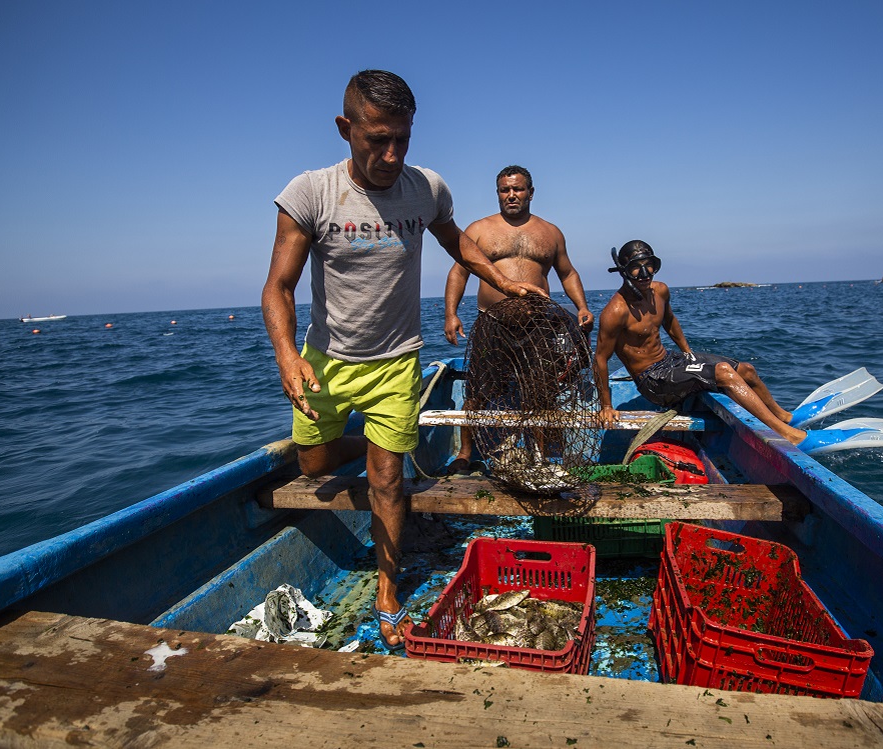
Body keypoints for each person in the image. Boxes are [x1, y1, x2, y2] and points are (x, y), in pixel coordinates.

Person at [261, 70, 543, 651]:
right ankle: (372, 443)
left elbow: (457, 242)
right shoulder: (309, 194)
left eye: (403, 140)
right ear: (346, 128)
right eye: (377, 139)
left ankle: (388, 590)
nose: (391, 155)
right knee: (313, 465)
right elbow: (278, 288)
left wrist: (501, 281)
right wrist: (287, 356)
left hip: (397, 359)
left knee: (387, 477)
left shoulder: (426, 188)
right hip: (327, 359)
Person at [442, 165, 593, 474]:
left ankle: (539, 454)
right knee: (476, 392)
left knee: (540, 392)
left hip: (538, 325)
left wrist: (582, 306)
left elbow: (568, 272)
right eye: (504, 190)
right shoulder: (479, 230)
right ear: (498, 193)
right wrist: (451, 313)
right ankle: (465, 453)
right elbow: (459, 272)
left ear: (530, 193)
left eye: (518, 189)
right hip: (491, 322)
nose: (511, 195)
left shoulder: (550, 232)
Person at [592, 240, 809, 446]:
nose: (645, 274)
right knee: (724, 372)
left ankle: (784, 417)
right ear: (624, 271)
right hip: (651, 380)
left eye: (649, 265)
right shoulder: (616, 311)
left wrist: (688, 353)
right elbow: (600, 359)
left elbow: (670, 321)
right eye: (636, 268)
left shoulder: (660, 291)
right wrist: (606, 406)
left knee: (747, 370)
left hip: (669, 361)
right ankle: (785, 435)